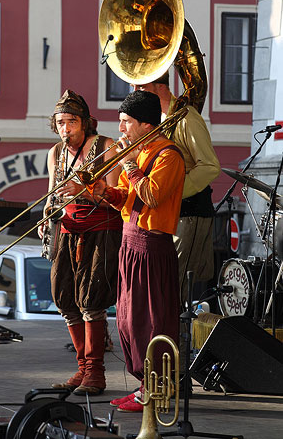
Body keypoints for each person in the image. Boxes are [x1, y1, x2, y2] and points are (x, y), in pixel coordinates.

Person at [93, 90, 185, 412]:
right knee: (129, 320)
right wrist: (103, 190)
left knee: (151, 321)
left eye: (125, 122)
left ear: (146, 124)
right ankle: (145, 385)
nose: (120, 130)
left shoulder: (168, 155)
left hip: (151, 245)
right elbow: (130, 199)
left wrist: (130, 166)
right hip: (130, 240)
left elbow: (154, 196)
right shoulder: (141, 151)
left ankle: (157, 388)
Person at [133, 71, 221, 374]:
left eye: (140, 85)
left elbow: (209, 166)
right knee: (162, 294)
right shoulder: (150, 121)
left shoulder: (186, 118)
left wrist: (171, 191)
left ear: (160, 87)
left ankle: (174, 372)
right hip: (164, 217)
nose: (133, 90)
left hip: (188, 214)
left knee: (174, 294)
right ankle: (162, 368)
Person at [38, 89, 122, 396]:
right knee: (65, 300)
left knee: (91, 300)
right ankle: (83, 368)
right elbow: (52, 195)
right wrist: (47, 212)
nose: (65, 129)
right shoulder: (55, 153)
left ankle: (96, 374)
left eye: (71, 122)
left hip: (101, 231)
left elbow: (116, 199)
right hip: (67, 230)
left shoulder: (107, 147)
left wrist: (82, 191)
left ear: (85, 122)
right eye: (60, 123)